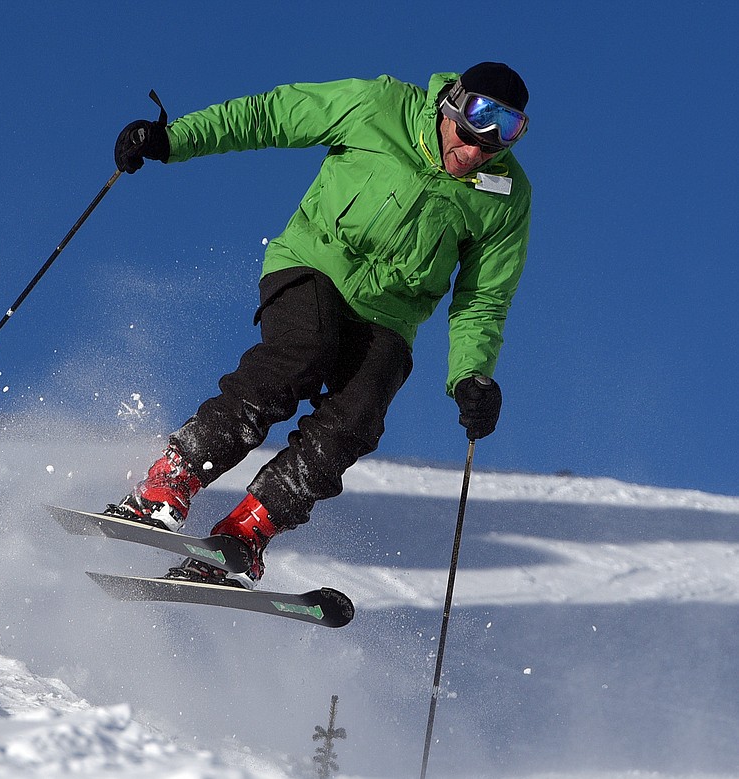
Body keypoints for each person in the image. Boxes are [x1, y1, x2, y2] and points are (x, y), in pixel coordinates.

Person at [106, 62, 532, 589]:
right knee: (302, 354)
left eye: (499, 140)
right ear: (449, 104)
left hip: (390, 315)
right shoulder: (379, 107)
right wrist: (172, 139)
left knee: (357, 418)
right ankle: (169, 481)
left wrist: (472, 375)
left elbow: (483, 297)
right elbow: (271, 115)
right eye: (471, 130)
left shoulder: (506, 195)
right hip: (314, 264)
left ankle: (245, 534)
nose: (473, 155)